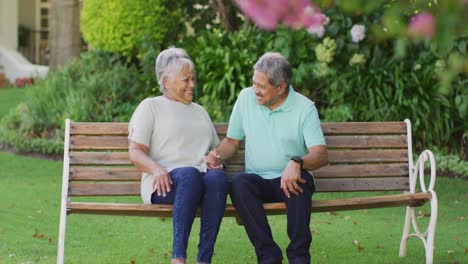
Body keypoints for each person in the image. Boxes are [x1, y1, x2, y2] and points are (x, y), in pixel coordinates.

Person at [205, 52, 328, 264]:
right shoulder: (245, 98)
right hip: (258, 181)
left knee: (300, 181)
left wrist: (296, 162)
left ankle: (299, 258)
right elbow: (232, 142)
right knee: (239, 183)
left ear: (281, 87)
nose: (255, 91)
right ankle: (268, 256)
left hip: (290, 180)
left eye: (261, 86)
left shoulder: (304, 107)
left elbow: (320, 154)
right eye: (254, 83)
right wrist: (216, 155)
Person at [128, 47, 229, 264]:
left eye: (193, 79)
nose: (192, 84)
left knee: (218, 178)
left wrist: (215, 159)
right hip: (165, 184)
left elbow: (215, 150)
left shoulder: (200, 111)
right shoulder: (150, 107)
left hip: (200, 181)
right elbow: (135, 152)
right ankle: (178, 258)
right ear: (166, 82)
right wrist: (156, 169)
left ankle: (204, 259)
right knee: (190, 175)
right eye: (186, 80)